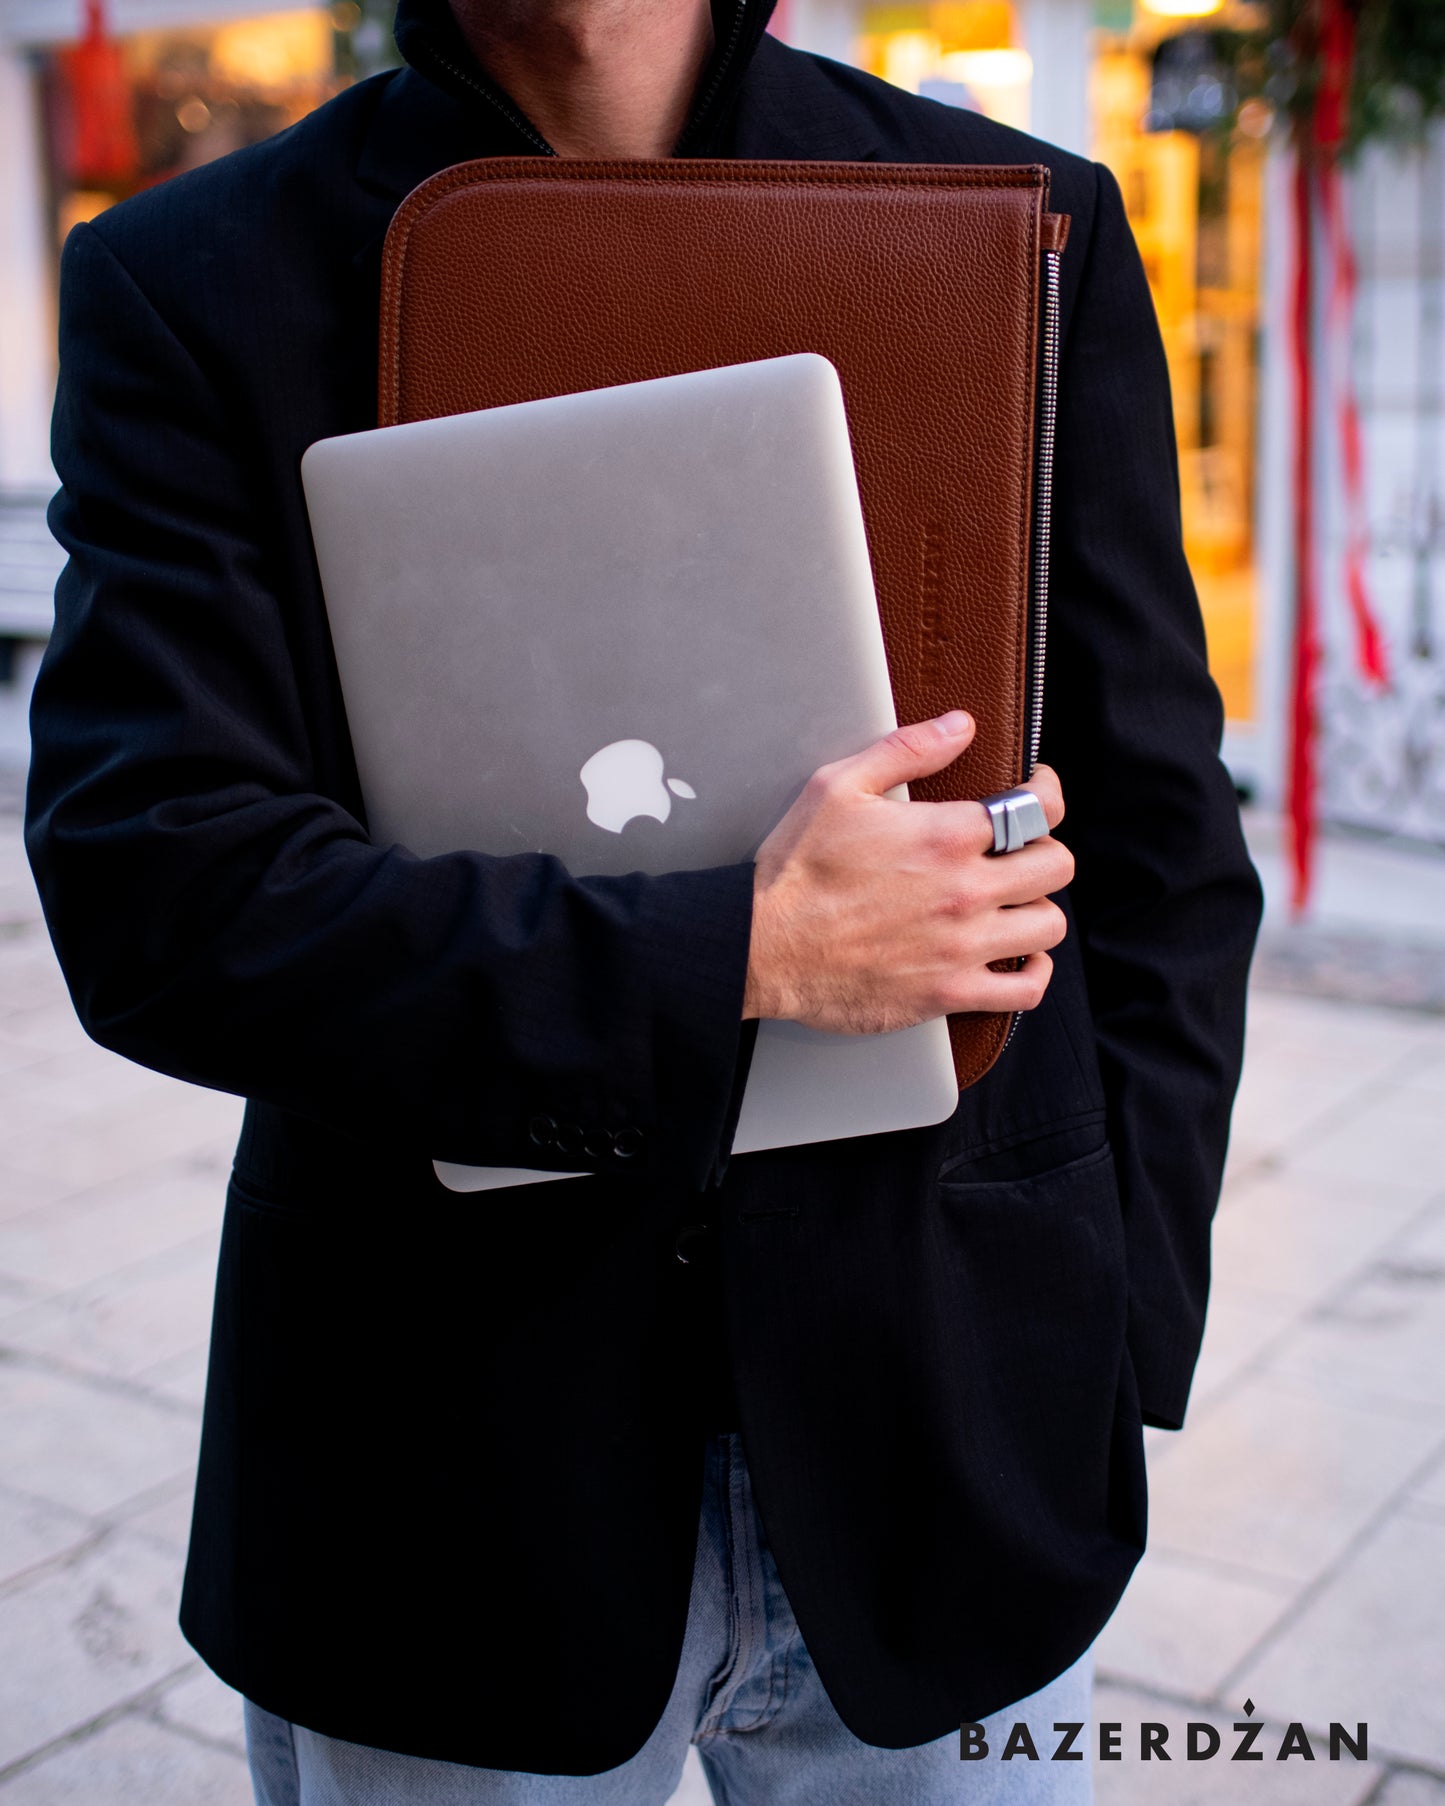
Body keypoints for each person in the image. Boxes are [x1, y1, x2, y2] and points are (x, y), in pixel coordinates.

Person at [24, 0, 1262, 1799]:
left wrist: (1114, 1333)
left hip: (952, 1422)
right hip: (438, 1474)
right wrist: (743, 951)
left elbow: (1160, 847)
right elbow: (159, 890)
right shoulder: (194, 278)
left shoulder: (1015, 215)